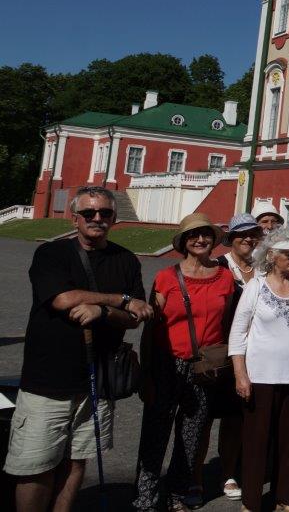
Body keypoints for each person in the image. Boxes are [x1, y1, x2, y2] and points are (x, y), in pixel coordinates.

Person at [5, 186, 150, 512]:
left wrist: (104, 311)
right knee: (36, 466)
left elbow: (135, 317)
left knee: (77, 460)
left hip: (98, 381)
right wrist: (120, 299)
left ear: (114, 218)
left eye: (105, 213)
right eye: (88, 213)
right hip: (48, 380)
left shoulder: (126, 260)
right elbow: (63, 299)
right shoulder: (52, 254)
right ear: (75, 218)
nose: (97, 218)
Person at [135, 212, 236, 512]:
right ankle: (145, 498)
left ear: (213, 240)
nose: (200, 240)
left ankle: (177, 494)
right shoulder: (167, 278)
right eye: (193, 235)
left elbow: (227, 322)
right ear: (183, 242)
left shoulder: (225, 278)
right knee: (155, 434)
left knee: (191, 435)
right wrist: (146, 373)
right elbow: (150, 329)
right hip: (168, 364)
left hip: (204, 366)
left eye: (205, 234)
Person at [228, 228, 289, 512]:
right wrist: (240, 374)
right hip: (260, 377)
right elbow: (238, 334)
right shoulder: (255, 287)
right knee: (256, 441)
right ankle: (252, 501)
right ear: (272, 256)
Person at [212, 212, 260, 500]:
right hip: (227, 351)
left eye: (253, 233)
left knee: (252, 414)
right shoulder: (219, 267)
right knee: (228, 416)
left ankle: (250, 466)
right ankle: (226, 472)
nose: (248, 239)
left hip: (259, 351)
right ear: (231, 238)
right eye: (242, 234)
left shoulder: (263, 268)